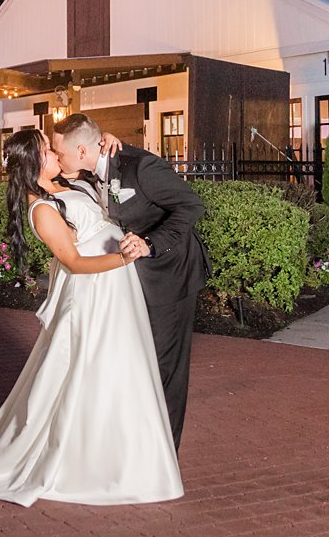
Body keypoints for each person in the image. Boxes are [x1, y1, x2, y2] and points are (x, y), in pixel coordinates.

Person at [0, 128, 183, 506]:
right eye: (48, 150)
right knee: (90, 368)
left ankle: (131, 455)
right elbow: (73, 262)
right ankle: (81, 459)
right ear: (35, 162)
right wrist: (124, 258)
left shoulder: (70, 184)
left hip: (117, 289)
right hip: (94, 294)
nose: (57, 153)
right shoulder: (43, 209)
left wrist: (113, 141)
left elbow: (94, 160)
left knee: (124, 365)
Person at [50, 113, 209, 451]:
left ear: (80, 150)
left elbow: (191, 206)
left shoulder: (141, 168)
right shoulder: (87, 169)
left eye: (59, 152)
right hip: (131, 282)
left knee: (166, 367)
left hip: (170, 275)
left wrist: (150, 243)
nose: (57, 157)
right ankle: (137, 445)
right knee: (138, 360)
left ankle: (164, 454)